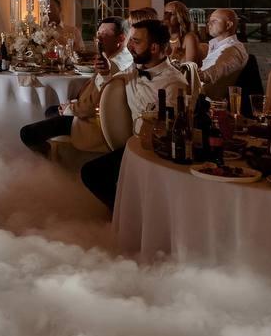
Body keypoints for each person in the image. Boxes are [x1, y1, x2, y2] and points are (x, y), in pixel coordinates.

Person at [79, 19, 188, 211]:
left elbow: (171, 132)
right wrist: (105, 72)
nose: (129, 46)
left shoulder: (173, 84)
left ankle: (132, 215)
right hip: (134, 144)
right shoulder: (135, 68)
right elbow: (112, 84)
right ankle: (125, 212)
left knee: (92, 173)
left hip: (157, 151)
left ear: (154, 48)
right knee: (91, 172)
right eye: (130, 40)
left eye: (136, 41)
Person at [20, 16, 132, 154]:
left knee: (27, 133)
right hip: (87, 112)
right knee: (50, 111)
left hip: (91, 122)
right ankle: (57, 151)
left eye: (105, 34)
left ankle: (49, 159)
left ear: (121, 38)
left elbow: (92, 106)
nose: (99, 38)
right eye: (98, 33)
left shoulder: (113, 65)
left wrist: (69, 109)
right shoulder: (121, 57)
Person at [199, 8, 248, 100]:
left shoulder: (233, 50)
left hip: (208, 102)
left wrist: (187, 72)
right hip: (200, 95)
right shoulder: (216, 45)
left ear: (228, 25)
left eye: (214, 21)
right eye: (209, 21)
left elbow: (209, 75)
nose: (209, 24)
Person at [163, 1, 201, 65]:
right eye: (165, 14)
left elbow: (190, 68)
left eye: (171, 14)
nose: (166, 18)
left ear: (180, 17)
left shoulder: (190, 38)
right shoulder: (163, 38)